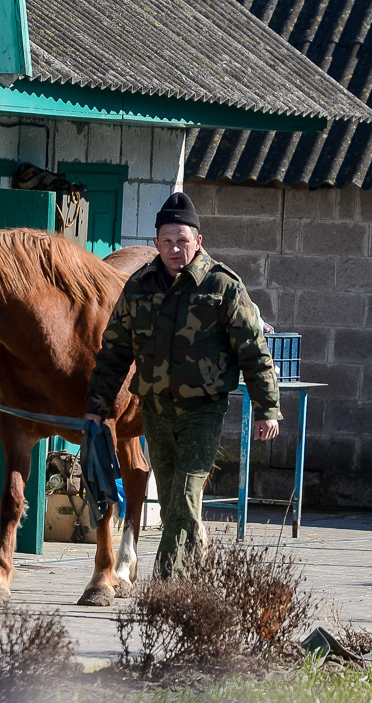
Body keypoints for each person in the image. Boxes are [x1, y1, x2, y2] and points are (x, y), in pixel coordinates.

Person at [84, 192, 281, 578]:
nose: (175, 249)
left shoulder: (223, 286)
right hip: (155, 410)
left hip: (203, 410)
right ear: (156, 243)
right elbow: (114, 352)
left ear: (198, 242)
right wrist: (97, 404)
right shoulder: (138, 287)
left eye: (183, 240)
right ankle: (193, 582)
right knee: (174, 497)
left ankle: (166, 584)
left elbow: (253, 352)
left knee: (186, 494)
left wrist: (266, 408)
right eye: (167, 241)